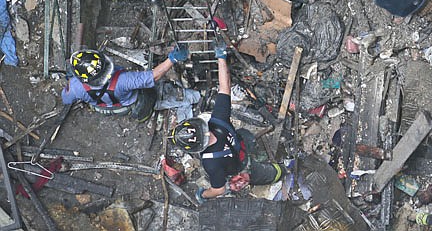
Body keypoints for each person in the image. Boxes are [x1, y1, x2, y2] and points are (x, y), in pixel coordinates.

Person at [171, 38, 284, 203]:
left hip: (240, 166)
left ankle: (277, 172)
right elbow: (224, 87)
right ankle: (278, 169)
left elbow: (219, 189)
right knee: (272, 167)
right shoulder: (218, 120)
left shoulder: (211, 164)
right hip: (244, 141)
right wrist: (221, 57)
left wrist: (202, 194)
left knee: (267, 174)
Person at [61, 44, 189, 122]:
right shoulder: (124, 80)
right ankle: (145, 114)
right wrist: (173, 58)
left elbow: (66, 99)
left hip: (101, 107)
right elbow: (154, 76)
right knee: (150, 94)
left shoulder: (75, 87)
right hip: (127, 105)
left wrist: (73, 82)